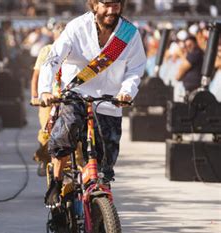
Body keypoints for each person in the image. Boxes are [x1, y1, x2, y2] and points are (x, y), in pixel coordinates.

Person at [38, 0, 146, 204]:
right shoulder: (77, 27)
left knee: (106, 160)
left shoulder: (129, 34)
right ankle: (57, 182)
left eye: (116, 4)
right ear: (94, 5)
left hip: (110, 102)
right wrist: (44, 91)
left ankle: (100, 207)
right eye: (106, 4)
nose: (111, 10)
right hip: (76, 94)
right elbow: (53, 60)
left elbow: (135, 69)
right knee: (65, 134)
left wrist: (126, 91)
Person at [31, 24, 64, 177]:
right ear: (54, 35)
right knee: (46, 130)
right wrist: (35, 95)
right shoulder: (47, 50)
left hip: (67, 97)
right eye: (60, 33)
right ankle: (44, 159)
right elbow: (37, 74)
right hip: (48, 97)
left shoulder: (74, 49)